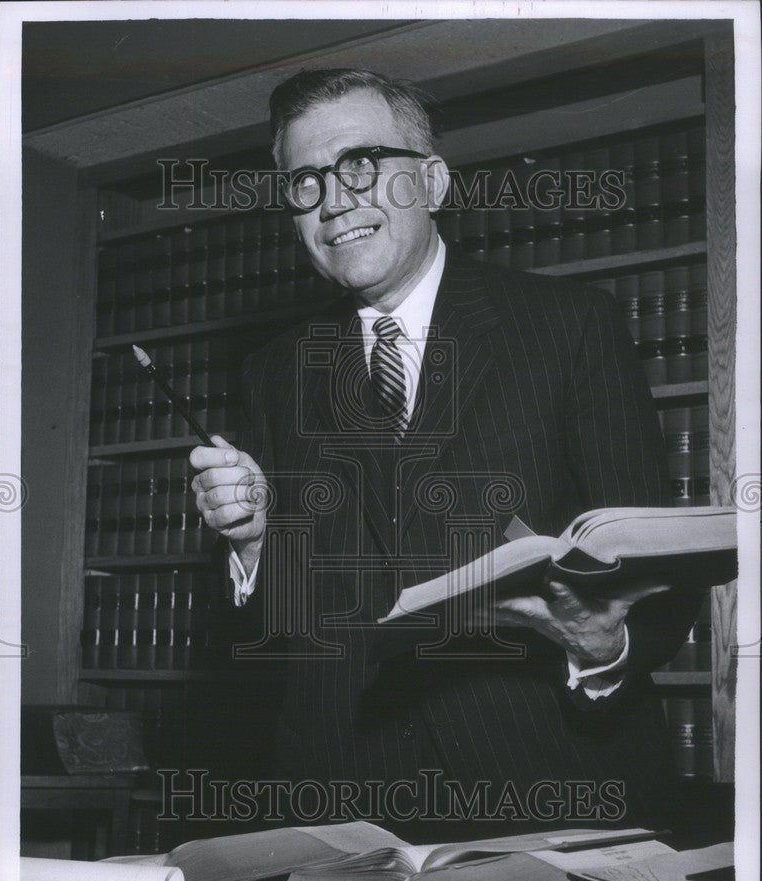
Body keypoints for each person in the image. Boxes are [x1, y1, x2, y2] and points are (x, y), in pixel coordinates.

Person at [190, 69, 700, 838]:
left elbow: (658, 565)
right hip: (343, 812)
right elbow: (280, 633)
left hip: (551, 799)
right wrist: (255, 543)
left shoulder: (570, 327)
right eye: (305, 181)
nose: (333, 200)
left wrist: (605, 645)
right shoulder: (274, 370)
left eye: (360, 165)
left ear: (430, 181)